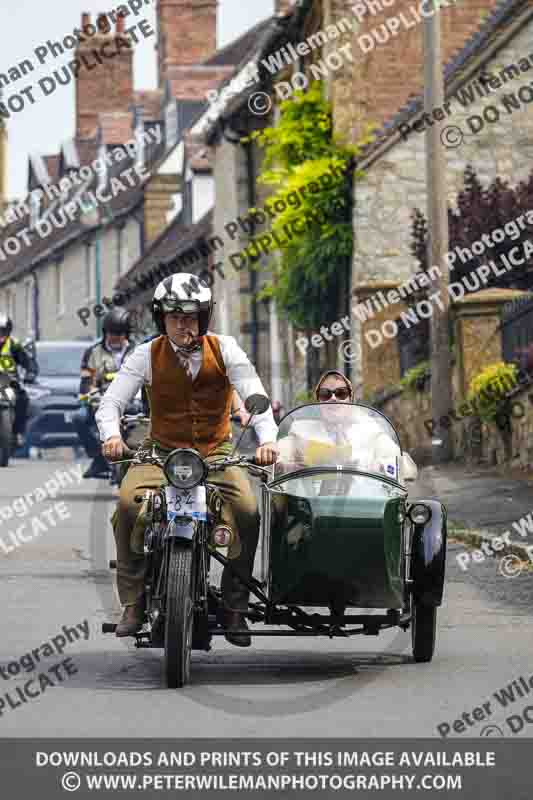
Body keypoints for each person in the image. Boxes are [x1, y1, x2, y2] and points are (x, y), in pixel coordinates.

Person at [96, 273, 278, 644]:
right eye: (174, 316)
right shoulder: (145, 354)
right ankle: (133, 603)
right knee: (128, 506)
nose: (183, 324)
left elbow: (255, 396)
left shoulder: (226, 349)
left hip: (217, 453)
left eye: (191, 316)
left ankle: (234, 606)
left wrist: (268, 441)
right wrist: (112, 436)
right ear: (161, 319)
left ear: (204, 318)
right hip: (160, 452)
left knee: (247, 511)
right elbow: (111, 403)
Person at [73, 309, 136, 479]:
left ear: (126, 334)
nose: (115, 337)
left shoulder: (138, 351)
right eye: (111, 333)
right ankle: (98, 458)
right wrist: (91, 397)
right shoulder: (93, 352)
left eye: (119, 334)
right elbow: (86, 381)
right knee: (78, 418)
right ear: (105, 332)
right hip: (101, 399)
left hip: (132, 401)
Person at [0, 313, 38, 447]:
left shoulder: (14, 345)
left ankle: (17, 433)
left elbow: (27, 361)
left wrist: (31, 372)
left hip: (9, 381)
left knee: (23, 398)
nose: (0, 335)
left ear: (8, 331)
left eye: (3, 331)